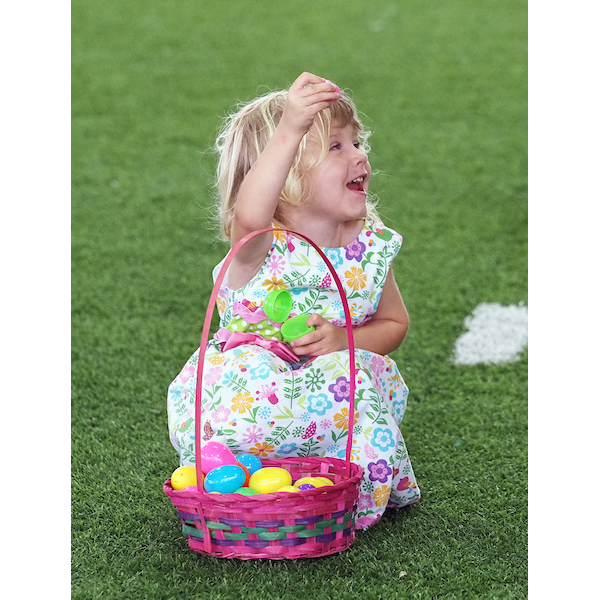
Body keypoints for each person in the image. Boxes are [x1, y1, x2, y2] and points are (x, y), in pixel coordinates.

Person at [167, 72, 420, 528]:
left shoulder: (369, 249)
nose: (360, 156)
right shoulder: (261, 244)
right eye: (336, 147)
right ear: (283, 180)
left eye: (357, 143)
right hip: (256, 405)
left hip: (331, 413)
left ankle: (344, 497)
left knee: (355, 375)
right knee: (251, 377)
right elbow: (249, 212)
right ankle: (239, 484)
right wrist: (290, 129)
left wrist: (344, 339)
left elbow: (393, 324)